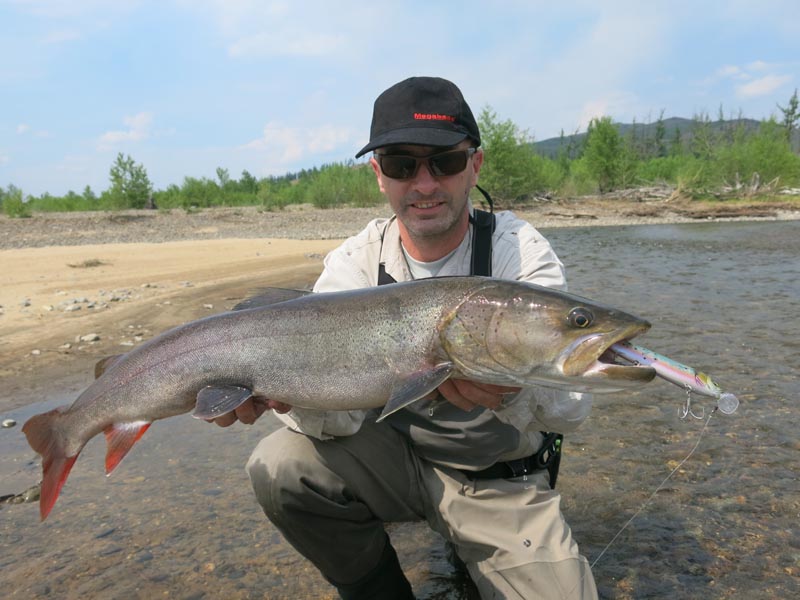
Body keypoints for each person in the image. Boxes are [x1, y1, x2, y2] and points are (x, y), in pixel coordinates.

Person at [213, 76, 598, 599]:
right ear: (379, 175)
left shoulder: (519, 256)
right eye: (401, 165)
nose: (424, 184)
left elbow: (571, 411)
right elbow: (338, 423)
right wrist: (293, 394)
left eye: (445, 162)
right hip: (392, 464)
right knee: (281, 464)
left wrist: (512, 388)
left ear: (475, 165)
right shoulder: (355, 264)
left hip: (498, 479)